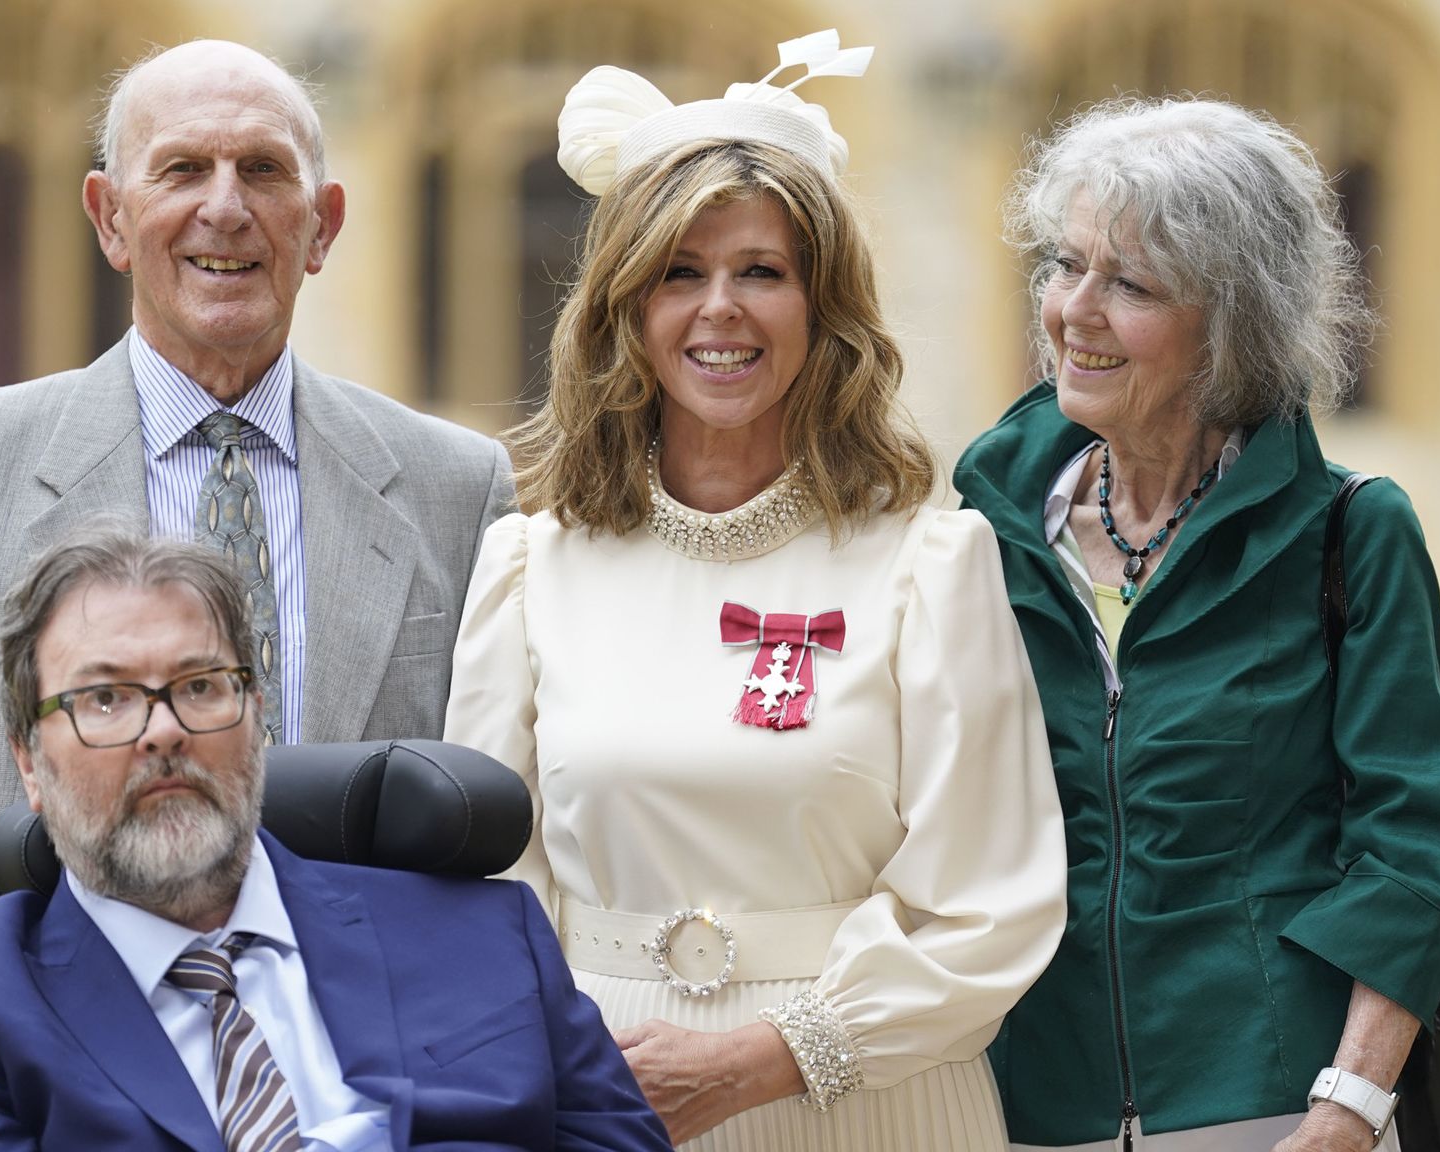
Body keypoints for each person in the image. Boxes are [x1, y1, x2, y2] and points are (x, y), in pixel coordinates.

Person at [443, 31, 1067, 1151]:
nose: (717, 308)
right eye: (678, 273)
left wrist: (767, 1059)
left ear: (822, 309)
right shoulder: (529, 568)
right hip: (600, 1095)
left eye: (761, 272)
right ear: (624, 310)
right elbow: (488, 880)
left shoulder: (932, 564)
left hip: (873, 1097)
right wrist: (567, 1061)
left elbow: (990, 902)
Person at [0, 39, 511, 1005]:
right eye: (181, 169)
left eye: (263, 170)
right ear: (111, 218)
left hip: (363, 1068)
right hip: (50, 1066)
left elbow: (495, 817)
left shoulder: (457, 487)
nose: (225, 206)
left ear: (323, 225)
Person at [952, 97, 1440, 1152]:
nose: (1074, 311)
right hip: (1019, 1102)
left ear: (1235, 321)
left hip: (1269, 1104)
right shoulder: (979, 525)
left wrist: (1347, 1108)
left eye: (1131, 285)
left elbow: (1412, 843)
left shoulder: (1350, 530)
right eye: (1064, 266)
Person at [0, 528, 671, 1152]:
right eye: (104, 700)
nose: (161, 732)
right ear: (28, 759)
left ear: (256, 722)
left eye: (201, 686)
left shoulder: (485, 934)